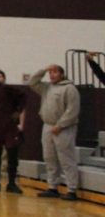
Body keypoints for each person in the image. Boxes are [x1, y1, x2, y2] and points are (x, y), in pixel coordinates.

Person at [28, 64, 81, 201]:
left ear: (62, 74)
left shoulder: (70, 88)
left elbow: (72, 111)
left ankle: (72, 189)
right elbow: (32, 82)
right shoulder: (46, 87)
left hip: (63, 128)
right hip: (47, 126)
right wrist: (44, 69)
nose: (51, 74)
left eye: (55, 72)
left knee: (66, 158)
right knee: (49, 157)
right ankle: (52, 187)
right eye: (50, 72)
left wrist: (60, 125)